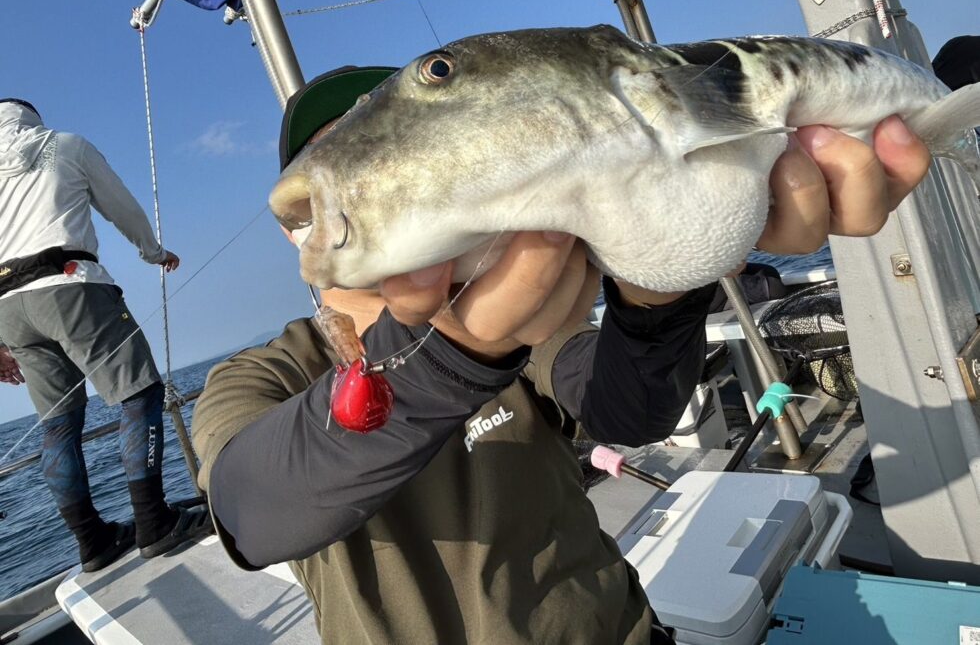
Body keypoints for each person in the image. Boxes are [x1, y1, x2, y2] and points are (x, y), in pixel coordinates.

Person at [191, 67, 932, 644]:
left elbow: (625, 407)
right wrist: (449, 359)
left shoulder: (521, 315)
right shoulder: (261, 373)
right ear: (301, 221)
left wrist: (661, 290)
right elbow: (255, 509)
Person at [0, 99, 211, 572]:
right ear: (32, 118)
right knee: (139, 395)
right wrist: (153, 252)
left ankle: (92, 542)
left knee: (58, 425)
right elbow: (121, 207)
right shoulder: (65, 145)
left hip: (9, 311)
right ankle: (154, 522)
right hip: (70, 287)